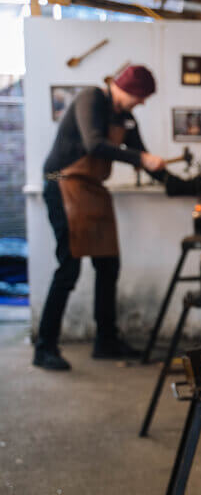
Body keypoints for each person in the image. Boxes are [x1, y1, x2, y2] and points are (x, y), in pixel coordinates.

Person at [35, 65, 166, 370]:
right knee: (69, 267)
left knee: (108, 265)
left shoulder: (126, 119)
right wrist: (140, 158)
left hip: (91, 189)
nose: (142, 103)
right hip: (58, 180)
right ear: (127, 89)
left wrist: (177, 183)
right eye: (141, 97)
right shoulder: (90, 99)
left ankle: (106, 341)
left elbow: (144, 159)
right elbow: (95, 144)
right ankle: (44, 347)